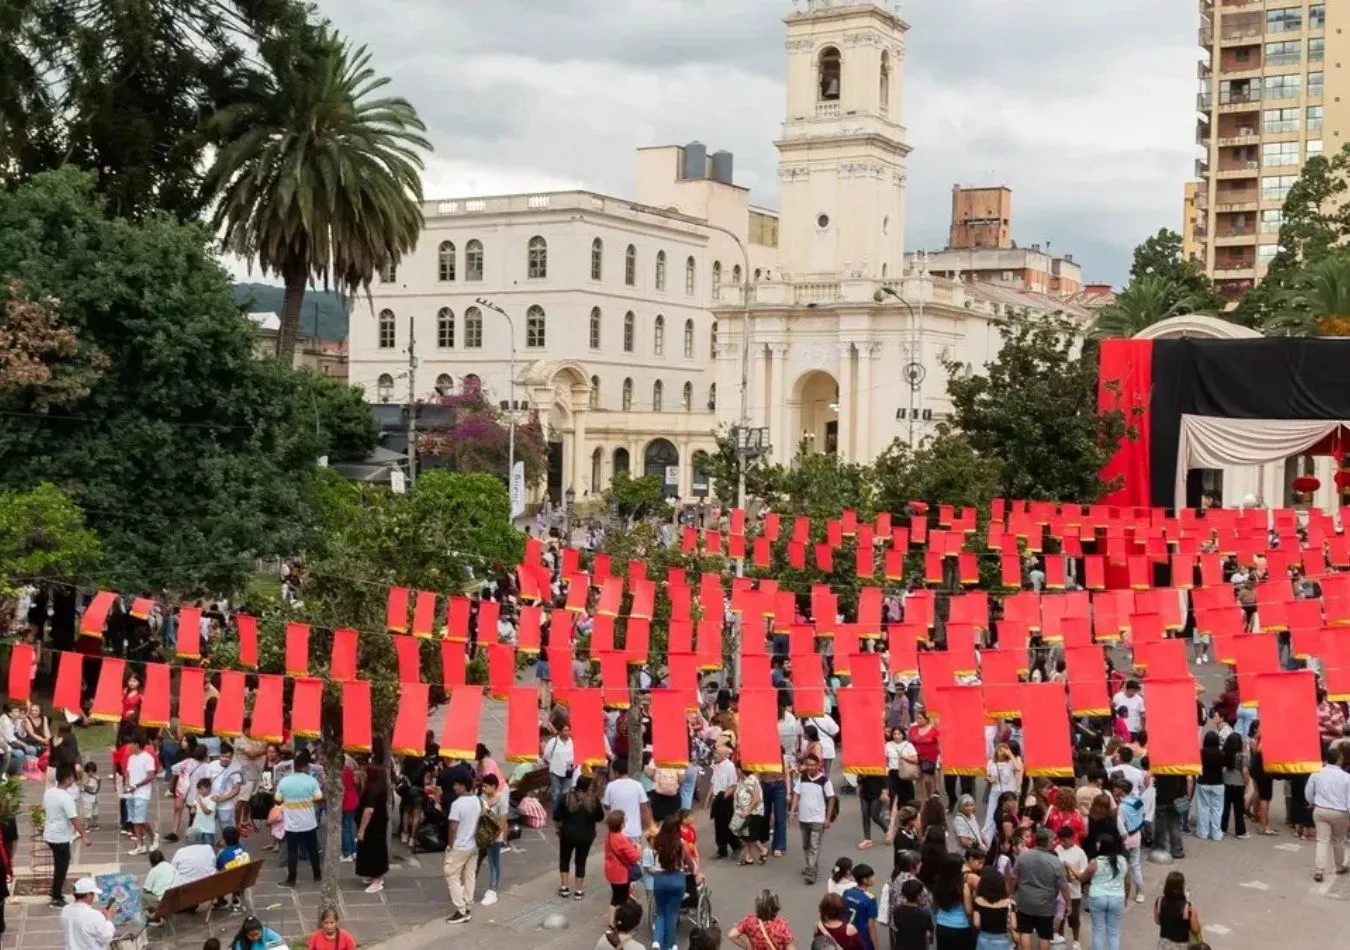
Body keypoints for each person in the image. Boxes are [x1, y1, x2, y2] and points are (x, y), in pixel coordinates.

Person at [1010, 828, 1070, 950]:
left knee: (1025, 931)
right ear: (1048, 842)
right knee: (1044, 936)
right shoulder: (1055, 861)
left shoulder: (1023, 857)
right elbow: (1063, 886)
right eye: (1052, 840)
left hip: (1025, 901)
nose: (1053, 843)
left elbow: (1014, 877)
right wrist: (1069, 904)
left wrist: (1010, 893)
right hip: (1046, 905)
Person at [275, 749, 323, 887]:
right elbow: (319, 798)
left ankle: (291, 879)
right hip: (309, 823)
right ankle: (317, 876)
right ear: (307, 765)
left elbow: (278, 800)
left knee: (292, 852)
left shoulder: (284, 782)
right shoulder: (311, 781)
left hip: (292, 824)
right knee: (313, 850)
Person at [43, 763, 88, 908]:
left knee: (59, 865)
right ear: (67, 779)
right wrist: (84, 835)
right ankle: (56, 897)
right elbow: (74, 819)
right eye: (72, 778)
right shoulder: (66, 798)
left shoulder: (49, 792)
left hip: (50, 833)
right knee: (61, 867)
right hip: (60, 837)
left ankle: (56, 892)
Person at [1305, 743, 1350, 881]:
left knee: (1322, 840)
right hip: (1340, 812)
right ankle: (1339, 866)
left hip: (1321, 809)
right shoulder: (1346, 777)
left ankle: (1319, 870)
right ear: (1339, 759)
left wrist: (1312, 802)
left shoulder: (1317, 772)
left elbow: (1308, 792)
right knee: (1339, 840)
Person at [555, 773, 604, 900]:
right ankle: (578, 890)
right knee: (581, 861)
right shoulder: (594, 800)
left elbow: (556, 815)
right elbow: (600, 817)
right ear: (589, 786)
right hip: (586, 835)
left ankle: (565, 887)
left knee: (565, 858)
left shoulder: (566, 797)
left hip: (567, 834)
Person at [790, 753, 836, 886]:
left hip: (818, 818)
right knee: (806, 845)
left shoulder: (824, 780)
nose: (810, 767)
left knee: (814, 846)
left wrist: (827, 818)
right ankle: (810, 866)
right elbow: (796, 794)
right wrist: (792, 812)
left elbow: (831, 798)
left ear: (818, 765)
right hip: (804, 817)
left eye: (813, 765)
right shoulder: (803, 778)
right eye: (808, 765)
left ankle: (811, 873)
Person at [1080, 835, 1131, 950]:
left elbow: (1083, 878)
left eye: (1099, 843)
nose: (1097, 845)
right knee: (1113, 932)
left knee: (1098, 930)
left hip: (1098, 896)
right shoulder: (1123, 861)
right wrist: (1126, 898)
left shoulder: (1095, 862)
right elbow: (1127, 881)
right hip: (1117, 897)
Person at [650, 816, 691, 950]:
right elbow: (689, 863)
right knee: (672, 914)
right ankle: (670, 945)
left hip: (660, 879)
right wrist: (692, 870)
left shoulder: (657, 842)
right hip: (677, 879)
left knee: (660, 912)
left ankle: (657, 940)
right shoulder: (681, 843)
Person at [445, 770, 481, 924]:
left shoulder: (457, 804)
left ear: (462, 786)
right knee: (469, 875)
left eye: (456, 784)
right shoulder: (478, 801)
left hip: (459, 846)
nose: (454, 787)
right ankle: (468, 904)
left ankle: (461, 910)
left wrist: (450, 846)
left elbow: (453, 828)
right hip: (474, 844)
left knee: (451, 874)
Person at [356, 762, 390, 894]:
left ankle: (377, 879)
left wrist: (361, 830)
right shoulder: (378, 788)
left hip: (373, 826)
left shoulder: (373, 791)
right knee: (372, 849)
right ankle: (374, 875)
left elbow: (368, 811)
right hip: (377, 825)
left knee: (373, 850)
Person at [602, 757, 652, 843]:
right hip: (634, 831)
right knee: (633, 855)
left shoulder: (610, 786)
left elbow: (607, 806)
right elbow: (644, 808)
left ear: (616, 772)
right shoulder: (637, 785)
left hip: (616, 832)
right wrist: (648, 827)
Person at [604, 811, 641, 924]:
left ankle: (612, 922)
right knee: (619, 900)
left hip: (611, 871)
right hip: (621, 873)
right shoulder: (620, 838)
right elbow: (635, 857)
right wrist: (638, 848)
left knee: (616, 897)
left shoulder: (610, 836)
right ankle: (617, 922)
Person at [728, 889, 796, 950]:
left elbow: (732, 935)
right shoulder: (782, 925)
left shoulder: (749, 921)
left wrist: (747, 946)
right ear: (776, 907)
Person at [125, 730, 158, 854]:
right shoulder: (131, 758)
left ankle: (153, 836)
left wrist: (136, 785)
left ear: (137, 744)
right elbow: (128, 773)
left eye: (131, 744)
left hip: (142, 793)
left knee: (140, 819)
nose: (129, 747)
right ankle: (140, 845)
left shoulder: (147, 758)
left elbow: (151, 776)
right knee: (134, 820)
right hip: (131, 793)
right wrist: (127, 785)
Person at [931, 853, 974, 949]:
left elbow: (935, 906)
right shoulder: (963, 886)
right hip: (961, 927)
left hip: (942, 925)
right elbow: (968, 910)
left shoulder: (938, 884)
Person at [1054, 825, 1086, 950]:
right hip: (1060, 892)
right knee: (1059, 917)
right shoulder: (1057, 849)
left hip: (1074, 892)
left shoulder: (1080, 853)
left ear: (1072, 838)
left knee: (1074, 918)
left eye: (1064, 840)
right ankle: (1059, 937)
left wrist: (1071, 873)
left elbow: (1083, 873)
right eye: (1060, 840)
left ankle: (1076, 940)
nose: (1062, 843)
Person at [60, 878, 115, 950]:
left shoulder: (65, 910)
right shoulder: (94, 915)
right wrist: (109, 919)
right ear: (88, 895)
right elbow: (107, 937)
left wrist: (100, 919)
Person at [731, 761, 768, 865]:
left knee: (752, 836)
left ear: (741, 770)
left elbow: (756, 798)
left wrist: (748, 810)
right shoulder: (741, 781)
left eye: (737, 769)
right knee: (745, 835)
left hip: (754, 812)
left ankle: (763, 850)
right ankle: (748, 857)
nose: (736, 771)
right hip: (742, 812)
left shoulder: (751, 780)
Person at [1153, 871, 1200, 950]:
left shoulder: (1159, 901)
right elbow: (1195, 928)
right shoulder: (1186, 907)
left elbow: (1157, 921)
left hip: (1164, 944)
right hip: (1182, 945)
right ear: (1182, 886)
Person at [1193, 732, 1225, 842]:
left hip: (1203, 782)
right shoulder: (1221, 754)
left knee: (1203, 808)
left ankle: (1203, 832)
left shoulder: (1201, 753)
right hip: (1218, 783)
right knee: (1217, 809)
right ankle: (1216, 833)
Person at [887, 877, 934, 950]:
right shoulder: (924, 914)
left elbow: (896, 927)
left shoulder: (897, 911)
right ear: (918, 896)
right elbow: (929, 933)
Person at [971, 866, 1012, 950]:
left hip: (984, 939)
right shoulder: (1009, 903)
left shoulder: (978, 901)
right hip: (1002, 940)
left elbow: (976, 923)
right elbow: (1014, 925)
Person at [709, 744, 738, 859]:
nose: (715, 755)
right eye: (715, 753)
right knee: (718, 825)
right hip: (717, 797)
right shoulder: (716, 766)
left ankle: (736, 846)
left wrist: (723, 798)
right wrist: (710, 798)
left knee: (727, 824)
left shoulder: (730, 767)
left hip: (725, 797)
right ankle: (722, 849)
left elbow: (733, 785)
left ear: (725, 755)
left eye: (718, 754)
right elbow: (714, 782)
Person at [1219, 732, 1249, 840]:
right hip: (1238, 784)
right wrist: (1247, 784)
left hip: (1226, 782)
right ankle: (1240, 831)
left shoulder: (1224, 753)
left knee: (1225, 808)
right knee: (1239, 809)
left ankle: (1222, 828)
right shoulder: (1242, 756)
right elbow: (1245, 771)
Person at [841, 863, 879, 950]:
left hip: (848, 934)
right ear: (865, 880)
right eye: (872, 876)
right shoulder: (870, 899)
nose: (875, 878)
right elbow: (871, 926)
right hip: (863, 938)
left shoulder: (847, 892)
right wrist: (876, 947)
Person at [542, 721, 577, 805]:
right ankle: (556, 810)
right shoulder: (553, 741)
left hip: (569, 768)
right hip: (555, 770)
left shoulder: (572, 741)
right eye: (565, 730)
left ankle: (563, 810)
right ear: (560, 732)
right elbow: (546, 754)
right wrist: (553, 762)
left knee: (566, 791)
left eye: (568, 730)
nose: (567, 732)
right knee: (556, 792)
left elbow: (576, 753)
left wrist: (573, 765)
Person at [141, 849, 179, 921]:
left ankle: (152, 915)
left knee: (144, 896)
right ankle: (155, 914)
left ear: (151, 862)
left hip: (164, 902)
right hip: (177, 899)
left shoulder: (154, 871)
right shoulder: (171, 866)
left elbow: (145, 890)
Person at [190, 777, 217, 846]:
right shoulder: (199, 797)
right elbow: (192, 811)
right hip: (197, 827)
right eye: (198, 789)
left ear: (208, 788)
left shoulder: (213, 798)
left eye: (201, 789)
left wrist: (200, 802)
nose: (199, 791)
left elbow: (207, 812)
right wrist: (193, 807)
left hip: (208, 829)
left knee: (208, 848)